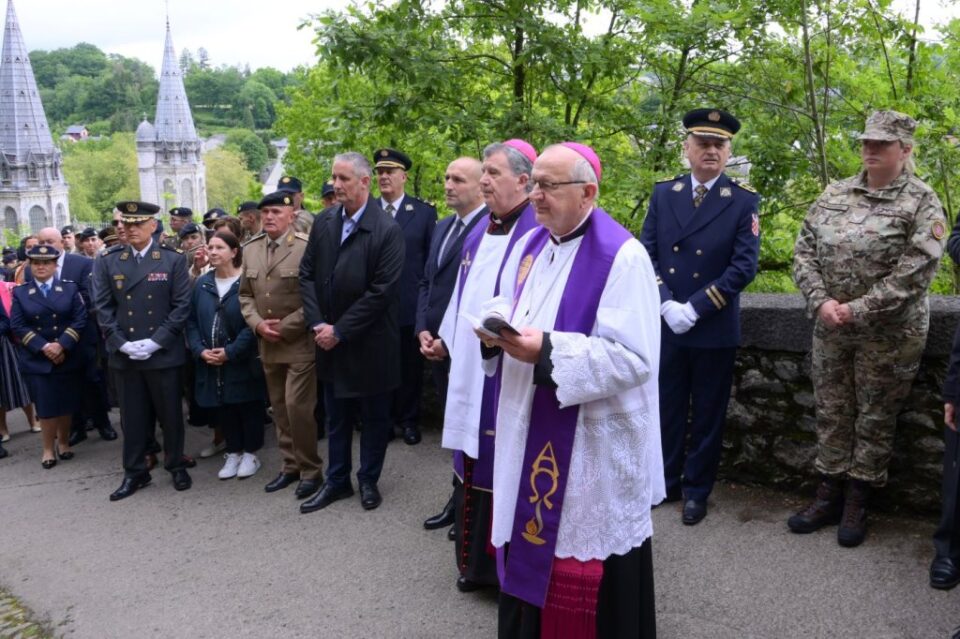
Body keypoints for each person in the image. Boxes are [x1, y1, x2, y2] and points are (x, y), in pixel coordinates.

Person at [483, 143, 662, 637]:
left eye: (546, 186)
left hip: (588, 446)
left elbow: (635, 358)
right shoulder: (532, 244)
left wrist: (548, 350)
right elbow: (510, 300)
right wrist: (495, 329)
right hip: (527, 424)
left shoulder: (623, 257)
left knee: (581, 555)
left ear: (587, 192)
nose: (534, 195)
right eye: (533, 183)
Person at [790, 110, 945, 547]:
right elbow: (802, 251)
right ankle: (827, 492)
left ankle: (859, 498)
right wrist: (822, 302)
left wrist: (857, 308)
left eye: (882, 144)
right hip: (831, 326)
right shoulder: (835, 192)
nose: (870, 150)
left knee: (876, 415)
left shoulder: (921, 200)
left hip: (890, 334)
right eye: (866, 142)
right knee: (832, 410)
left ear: (906, 150)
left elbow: (916, 272)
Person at [423, 141, 539, 590]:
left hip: (506, 369)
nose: (484, 181)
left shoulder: (533, 231)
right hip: (471, 364)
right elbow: (460, 295)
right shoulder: (481, 229)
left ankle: (500, 570)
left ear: (522, 180)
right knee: (470, 456)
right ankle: (471, 564)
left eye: (492, 173)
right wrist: (445, 340)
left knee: (498, 458)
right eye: (483, 173)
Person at [638, 108, 760, 526]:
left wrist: (695, 307)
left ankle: (696, 490)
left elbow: (743, 267)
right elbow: (645, 255)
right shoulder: (663, 194)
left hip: (712, 325)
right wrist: (665, 302)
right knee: (666, 406)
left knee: (708, 413)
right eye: (703, 143)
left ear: (728, 152)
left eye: (719, 144)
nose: (711, 150)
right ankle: (665, 480)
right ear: (687, 148)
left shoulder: (743, 201)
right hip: (667, 322)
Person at [298, 151, 405, 514]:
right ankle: (337, 480)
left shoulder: (387, 230)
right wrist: (318, 325)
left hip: (370, 344)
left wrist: (340, 330)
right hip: (328, 341)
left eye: (343, 179)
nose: (335, 185)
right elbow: (307, 275)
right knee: (336, 415)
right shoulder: (325, 221)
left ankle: (369, 479)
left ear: (364, 182)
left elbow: (382, 292)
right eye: (334, 178)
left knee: (375, 418)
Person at [92, 200, 193, 501]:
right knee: (132, 419)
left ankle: (175, 465)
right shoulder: (109, 259)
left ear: (153, 225)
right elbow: (103, 307)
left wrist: (155, 342)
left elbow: (181, 307)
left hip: (161, 352)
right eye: (127, 223)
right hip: (126, 354)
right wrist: (121, 343)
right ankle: (135, 472)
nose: (131, 229)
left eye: (138, 223)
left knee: (171, 415)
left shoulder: (172, 259)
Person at [416, 156, 488, 536]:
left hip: (466, 349)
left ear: (481, 186)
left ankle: (469, 504)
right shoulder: (443, 226)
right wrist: (422, 329)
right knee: (454, 426)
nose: (447, 184)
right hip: (436, 344)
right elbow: (427, 283)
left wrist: (450, 339)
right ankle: (457, 498)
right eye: (446, 177)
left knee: (472, 429)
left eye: (457, 179)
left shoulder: (490, 230)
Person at [239, 191, 323, 499]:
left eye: (276, 212)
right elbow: (245, 295)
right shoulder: (250, 249)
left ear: (291, 215)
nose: (270, 217)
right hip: (268, 344)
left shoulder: (304, 248)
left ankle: (311, 469)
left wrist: (285, 327)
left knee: (298, 408)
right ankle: (290, 466)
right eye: (266, 213)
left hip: (298, 342)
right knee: (279, 409)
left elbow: (314, 298)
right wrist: (258, 324)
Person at [188, 231, 266, 480]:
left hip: (241, 359)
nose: (212, 252)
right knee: (224, 406)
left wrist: (231, 352)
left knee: (247, 404)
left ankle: (251, 453)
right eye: (210, 247)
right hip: (211, 360)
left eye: (219, 247)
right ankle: (233, 451)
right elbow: (190, 322)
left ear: (234, 252)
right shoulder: (202, 283)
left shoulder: (246, 281)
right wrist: (200, 350)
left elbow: (253, 323)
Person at [373, 148, 437, 445]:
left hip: (409, 304)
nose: (384, 176)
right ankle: (382, 421)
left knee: (410, 368)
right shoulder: (367, 211)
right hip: (373, 307)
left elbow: (429, 264)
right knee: (380, 367)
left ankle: (409, 420)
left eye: (390, 171)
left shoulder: (423, 213)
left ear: (404, 176)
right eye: (380, 172)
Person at [8, 245, 87, 469]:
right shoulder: (21, 292)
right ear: (30, 266)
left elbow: (79, 320)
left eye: (46, 263)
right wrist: (45, 347)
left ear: (55, 265)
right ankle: (47, 448)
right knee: (45, 405)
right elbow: (18, 325)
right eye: (36, 263)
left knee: (66, 402)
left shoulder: (70, 289)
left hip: (66, 355)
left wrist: (61, 345)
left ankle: (63, 443)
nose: (41, 267)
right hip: (38, 359)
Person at [0, 277, 38, 443]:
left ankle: (33, 420)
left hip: (3, 345)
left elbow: (5, 321)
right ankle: (2, 428)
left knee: (18, 383)